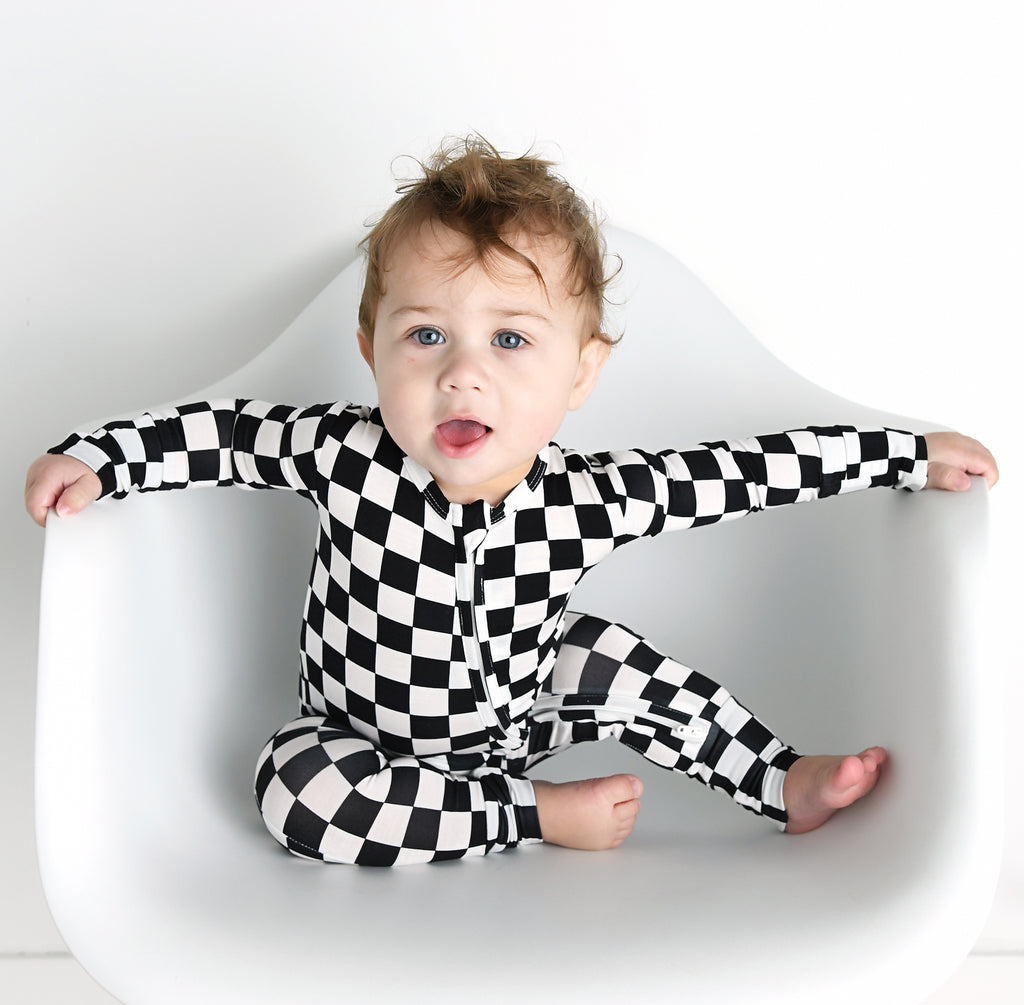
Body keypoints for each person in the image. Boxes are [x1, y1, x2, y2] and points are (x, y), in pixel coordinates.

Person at [24, 137, 998, 867]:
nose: (463, 376)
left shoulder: (584, 499)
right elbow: (221, 433)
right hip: (362, 740)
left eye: (511, 341)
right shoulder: (342, 452)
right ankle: (528, 815)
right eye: (425, 337)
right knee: (293, 787)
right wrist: (99, 458)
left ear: (581, 372)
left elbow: (744, 469)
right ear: (370, 351)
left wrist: (907, 455)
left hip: (518, 716)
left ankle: (777, 781)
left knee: (623, 665)